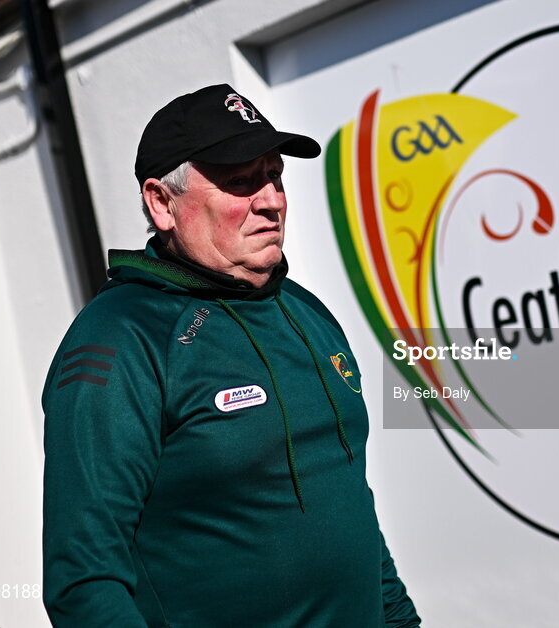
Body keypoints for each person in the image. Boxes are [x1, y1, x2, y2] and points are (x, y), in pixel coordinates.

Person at [41, 83, 421, 627]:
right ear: (162, 203)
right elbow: (84, 578)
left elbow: (345, 503)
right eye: (241, 180)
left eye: (274, 175)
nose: (269, 200)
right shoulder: (119, 338)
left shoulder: (305, 310)